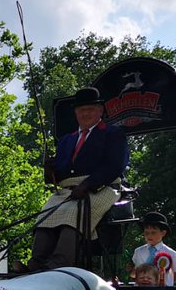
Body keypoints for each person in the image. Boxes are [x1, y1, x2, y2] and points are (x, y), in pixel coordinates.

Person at [30, 86, 129, 270]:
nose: (86, 113)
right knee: (46, 214)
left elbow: (115, 166)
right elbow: (61, 174)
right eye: (82, 110)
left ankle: (60, 262)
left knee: (73, 213)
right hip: (69, 191)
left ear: (100, 111)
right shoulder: (67, 140)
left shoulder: (113, 134)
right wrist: (50, 170)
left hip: (101, 188)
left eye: (91, 109)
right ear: (76, 113)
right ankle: (37, 262)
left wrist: (88, 184)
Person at [130, 211, 176, 286]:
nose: (149, 236)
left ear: (163, 233)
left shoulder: (171, 253)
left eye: (153, 232)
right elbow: (134, 273)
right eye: (147, 233)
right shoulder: (138, 251)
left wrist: (165, 282)